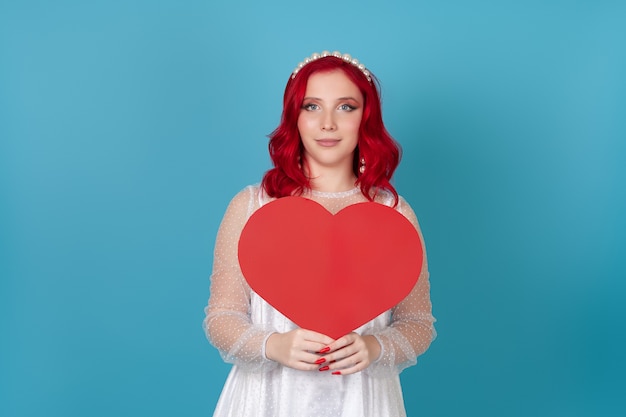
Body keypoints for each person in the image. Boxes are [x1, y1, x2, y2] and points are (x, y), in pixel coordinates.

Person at [203, 51, 436, 417]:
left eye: (346, 107)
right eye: (312, 106)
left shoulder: (394, 213)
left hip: (363, 401)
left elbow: (418, 323)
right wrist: (273, 346)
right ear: (293, 117)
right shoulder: (251, 207)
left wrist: (375, 347)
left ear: (366, 118)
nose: (327, 123)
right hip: (268, 400)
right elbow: (222, 317)